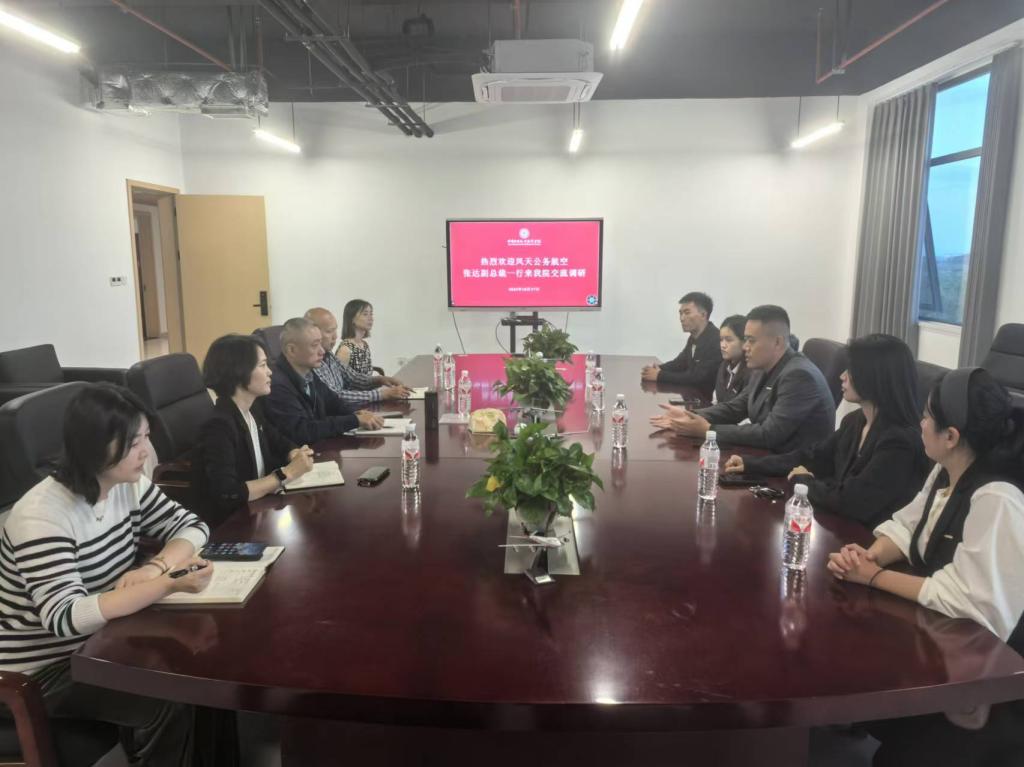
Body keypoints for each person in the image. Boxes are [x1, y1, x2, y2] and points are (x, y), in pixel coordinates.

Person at [0, 383, 233, 766]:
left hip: (102, 639)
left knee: (202, 665)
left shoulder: (128, 484)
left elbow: (193, 527)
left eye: (146, 437)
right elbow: (66, 618)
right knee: (167, 693)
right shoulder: (41, 516)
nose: (146, 452)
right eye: (132, 443)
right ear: (92, 446)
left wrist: (157, 566)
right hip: (42, 671)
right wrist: (164, 585)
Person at [827, 368, 1024, 766]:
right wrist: (868, 557)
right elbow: (908, 525)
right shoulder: (947, 469)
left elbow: (965, 599)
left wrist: (874, 577)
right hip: (941, 643)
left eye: (927, 416)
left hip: (989, 679)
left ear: (950, 436)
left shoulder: (997, 499)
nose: (919, 423)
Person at [723, 334, 929, 527]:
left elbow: (852, 501)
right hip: (840, 525)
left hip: (867, 539)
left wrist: (803, 481)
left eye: (851, 370)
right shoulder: (855, 421)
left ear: (874, 377)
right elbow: (812, 456)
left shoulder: (900, 442)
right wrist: (751, 464)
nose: (842, 376)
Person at [650, 305, 834, 452]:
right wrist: (692, 416)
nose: (745, 347)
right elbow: (736, 407)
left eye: (751, 340)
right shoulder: (763, 367)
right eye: (745, 340)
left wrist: (708, 430)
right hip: (767, 457)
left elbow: (769, 434)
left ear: (777, 342)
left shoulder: (799, 376)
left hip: (793, 471)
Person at [195, 334, 316, 526]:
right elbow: (227, 494)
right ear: (239, 373)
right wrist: (286, 474)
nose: (270, 372)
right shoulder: (219, 426)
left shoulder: (252, 410)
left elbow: (279, 441)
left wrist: (294, 453)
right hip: (232, 524)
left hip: (259, 511)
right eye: (262, 365)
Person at [263, 317, 384, 444]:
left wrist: (356, 413)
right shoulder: (277, 385)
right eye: (314, 345)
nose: (322, 351)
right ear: (291, 350)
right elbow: (303, 431)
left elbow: (333, 402)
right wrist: (354, 420)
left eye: (320, 343)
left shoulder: (307, 373)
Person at [305, 307, 412, 405]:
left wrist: (379, 380)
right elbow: (334, 396)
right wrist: (381, 394)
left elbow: (352, 378)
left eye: (335, 330)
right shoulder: (312, 361)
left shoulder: (329, 355)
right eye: (329, 331)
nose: (335, 336)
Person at [641, 291, 720, 399]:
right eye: (680, 313)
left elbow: (698, 378)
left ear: (703, 315)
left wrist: (660, 375)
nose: (682, 318)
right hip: (692, 398)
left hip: (704, 402)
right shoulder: (694, 338)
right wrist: (659, 368)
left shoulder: (715, 340)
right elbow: (679, 363)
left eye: (687, 313)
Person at [714, 314, 750, 404]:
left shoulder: (751, 371)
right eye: (721, 340)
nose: (723, 345)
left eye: (728, 340)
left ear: (744, 341)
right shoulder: (724, 366)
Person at [337, 299, 377, 376]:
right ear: (352, 319)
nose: (371, 318)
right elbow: (340, 379)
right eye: (365, 314)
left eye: (371, 314)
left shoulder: (364, 345)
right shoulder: (345, 349)